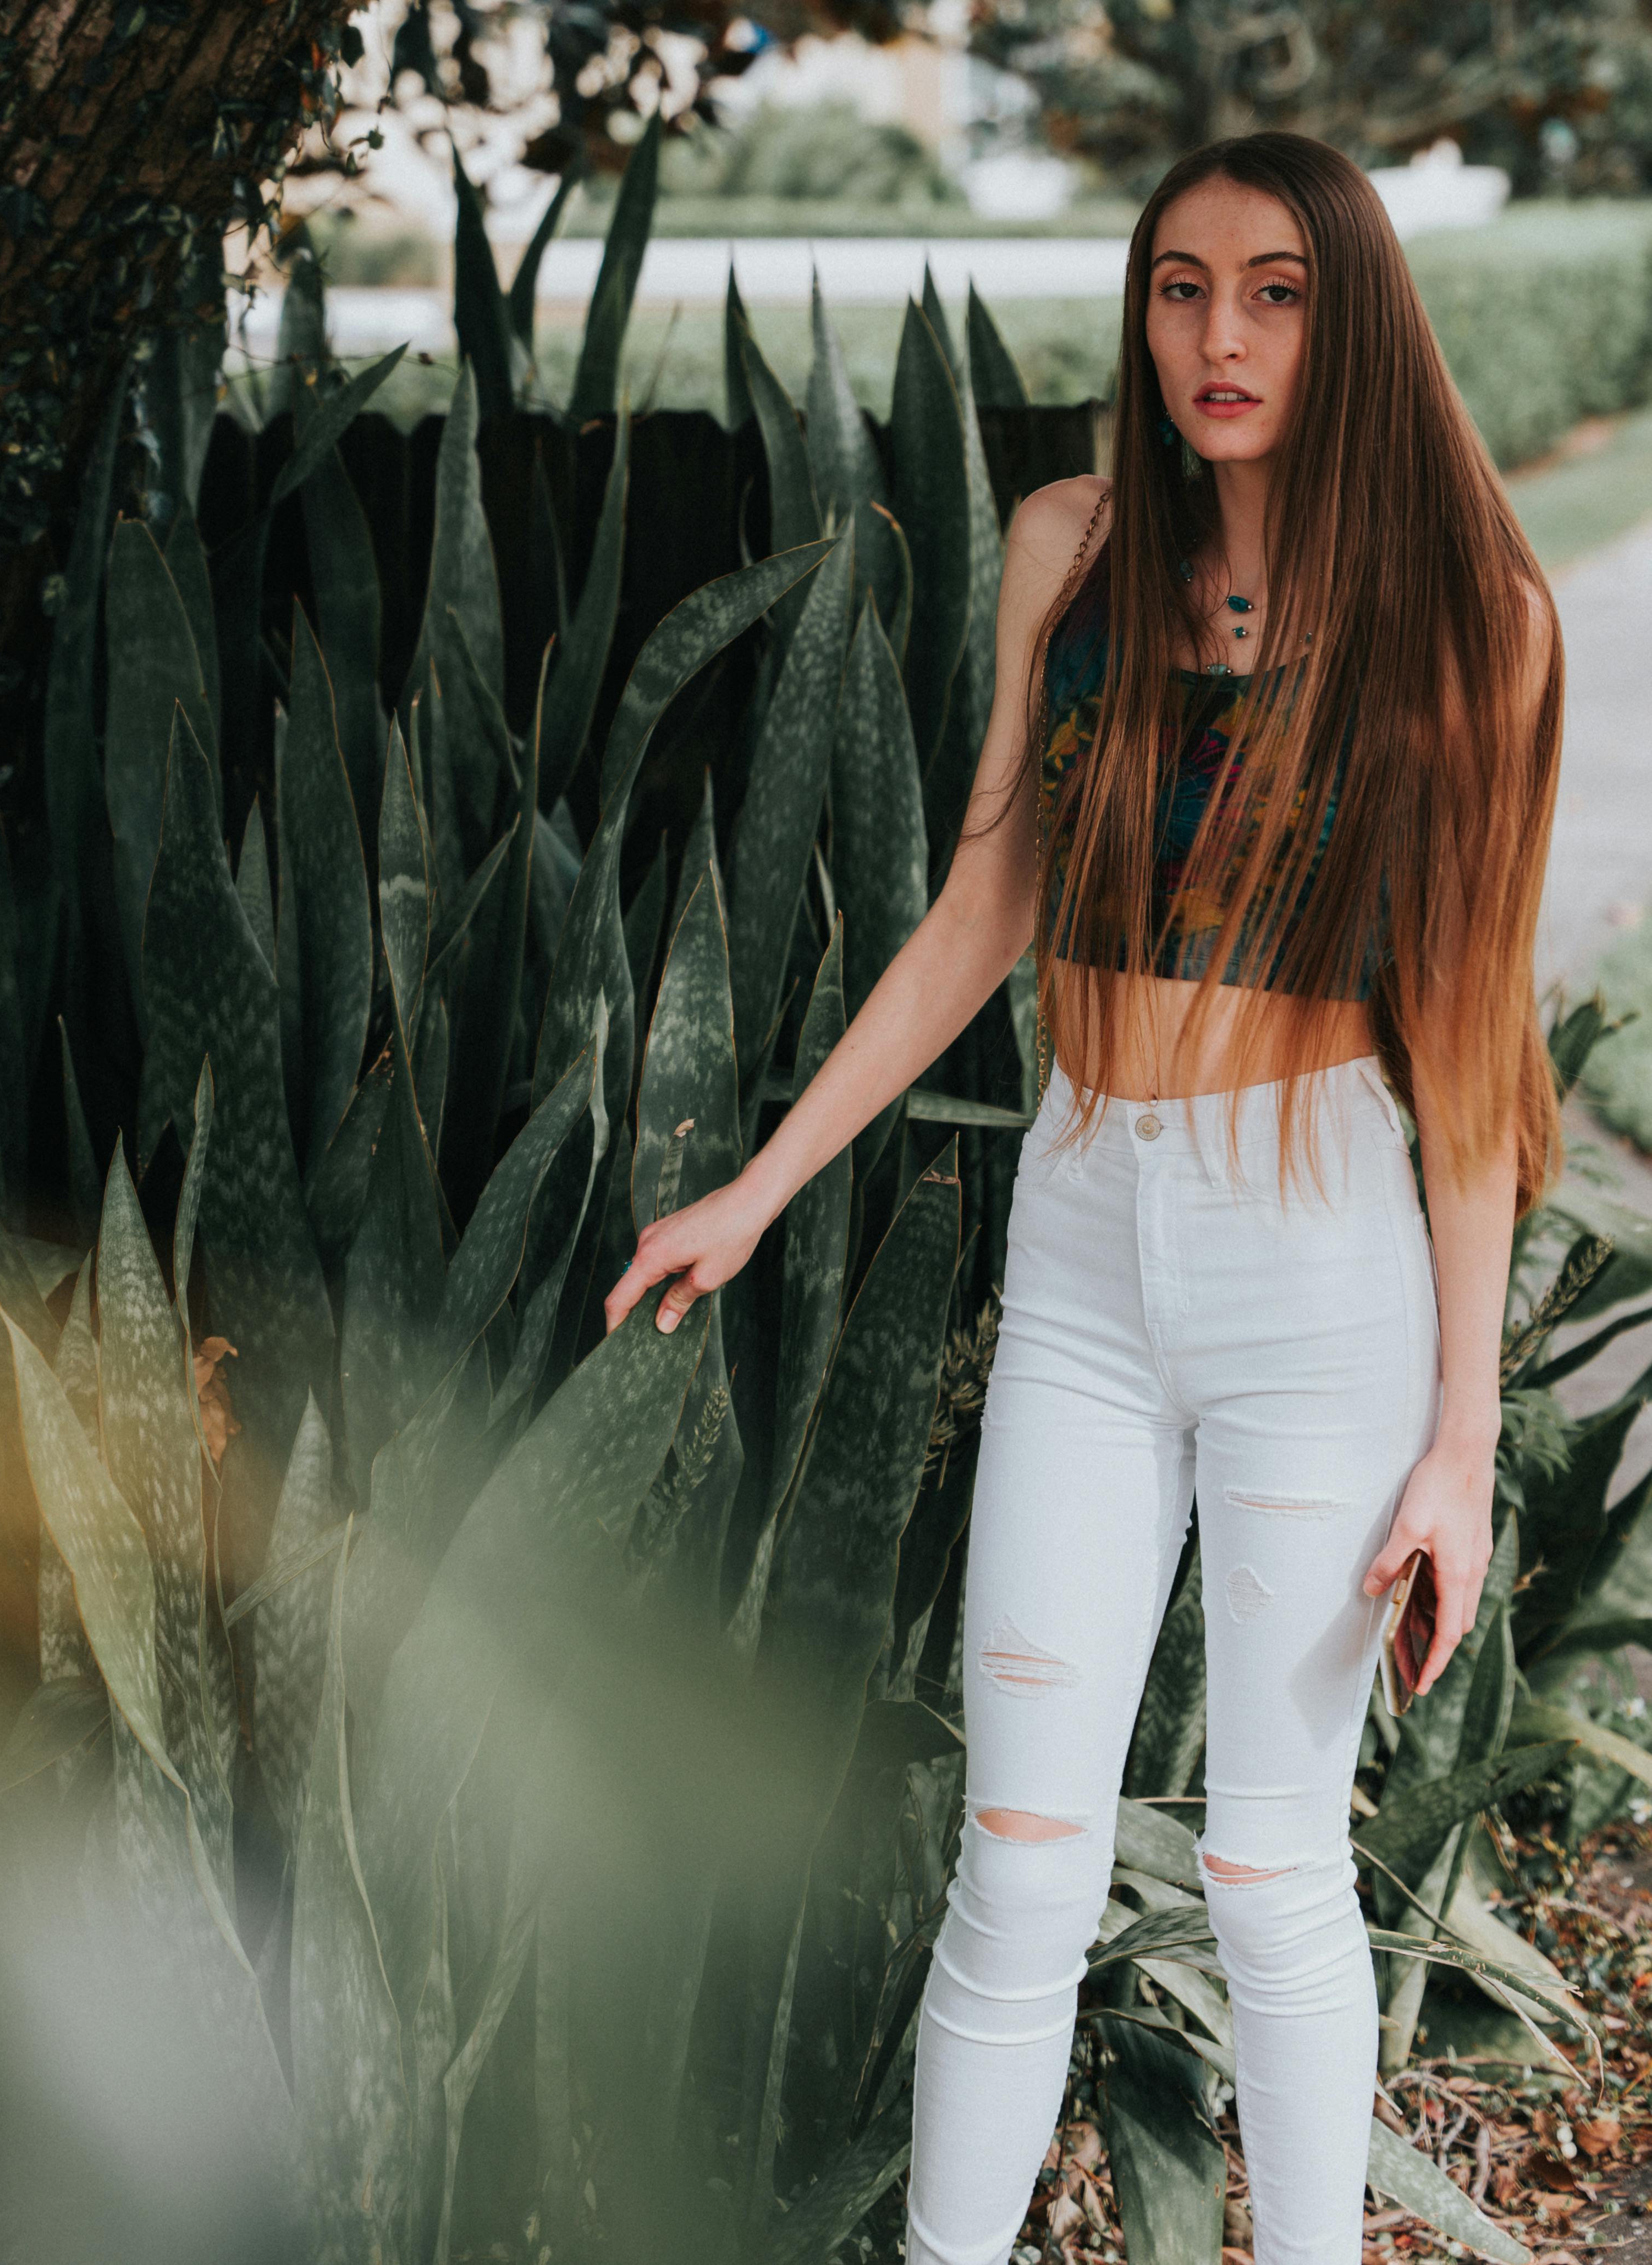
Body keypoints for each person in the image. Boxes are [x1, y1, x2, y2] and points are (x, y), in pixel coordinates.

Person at [603, 129, 1562, 2264]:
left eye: (1277, 292)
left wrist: (1459, 1449)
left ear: (1355, 321)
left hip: (1322, 1269)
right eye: (1177, 286)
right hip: (1083, 1248)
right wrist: (755, 1186)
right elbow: (981, 904)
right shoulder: (1068, 544)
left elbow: (1481, 1072)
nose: (1216, 335)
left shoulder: (1464, 616)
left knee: (1262, 1863)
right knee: (1017, 1858)